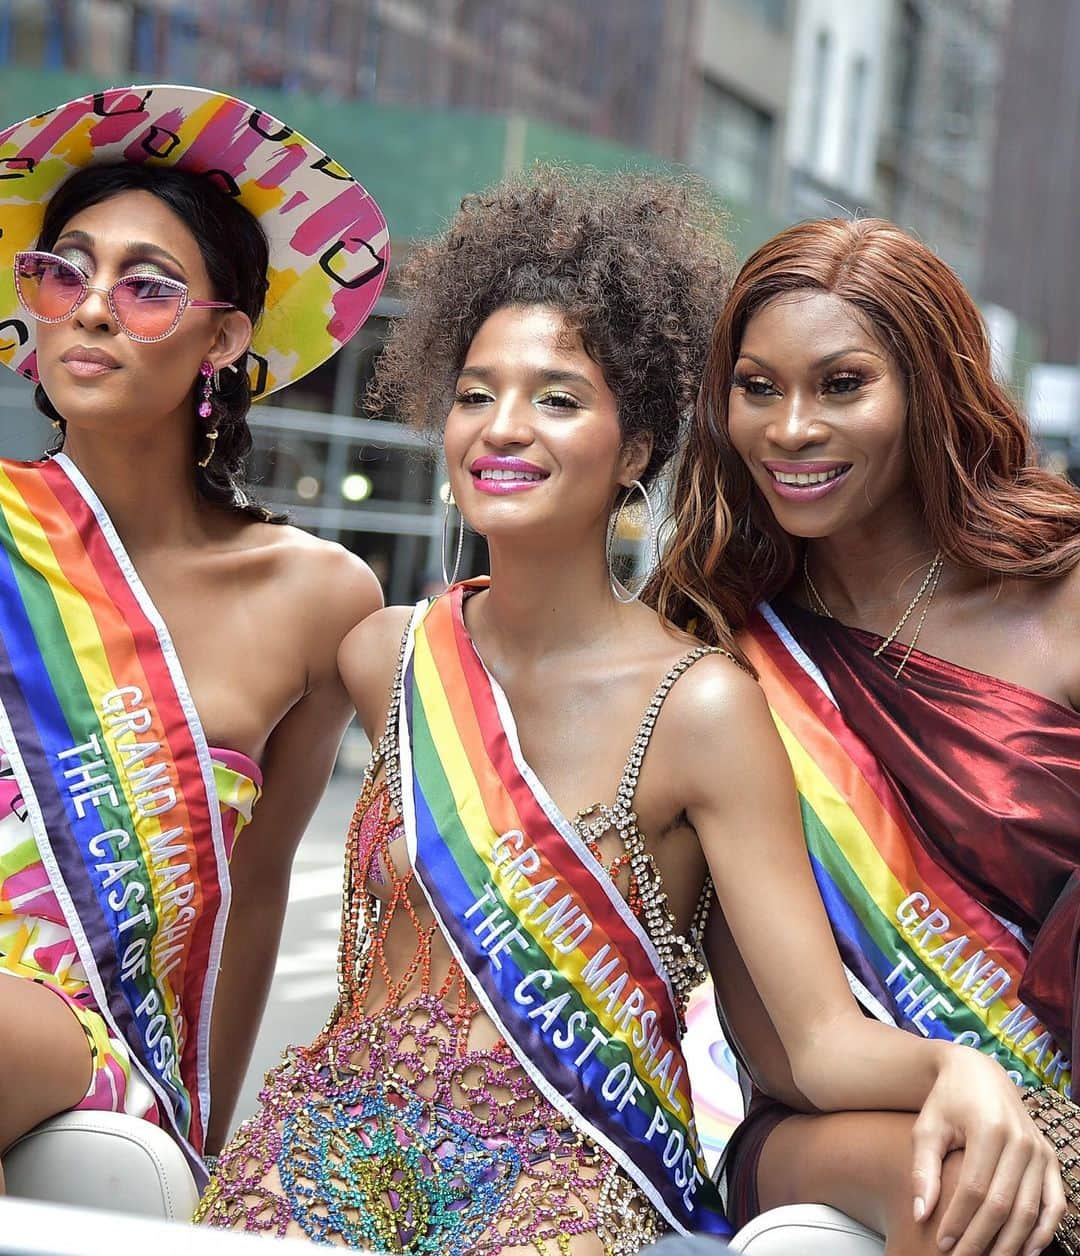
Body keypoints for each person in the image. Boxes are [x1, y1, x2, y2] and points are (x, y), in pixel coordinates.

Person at [197, 171, 1061, 1256]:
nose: (503, 426)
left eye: (557, 397)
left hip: (560, 1176)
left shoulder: (704, 698)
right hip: (318, 1152)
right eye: (474, 393)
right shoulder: (384, 654)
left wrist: (958, 1063)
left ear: (639, 447)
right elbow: (239, 864)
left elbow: (814, 1035)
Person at [653, 216, 1080, 1254]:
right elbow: (790, 1043)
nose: (791, 428)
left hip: (1059, 1085)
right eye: (758, 388)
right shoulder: (710, 639)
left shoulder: (1060, 594)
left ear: (930, 390)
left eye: (842, 385)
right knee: (963, 1182)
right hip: (821, 1116)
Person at [0, 84, 389, 1187]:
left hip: (89, 1038)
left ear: (225, 335)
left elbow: (257, 893)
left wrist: (210, 1152)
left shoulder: (318, 597)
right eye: (63, 270)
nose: (91, 306)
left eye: (147, 285)